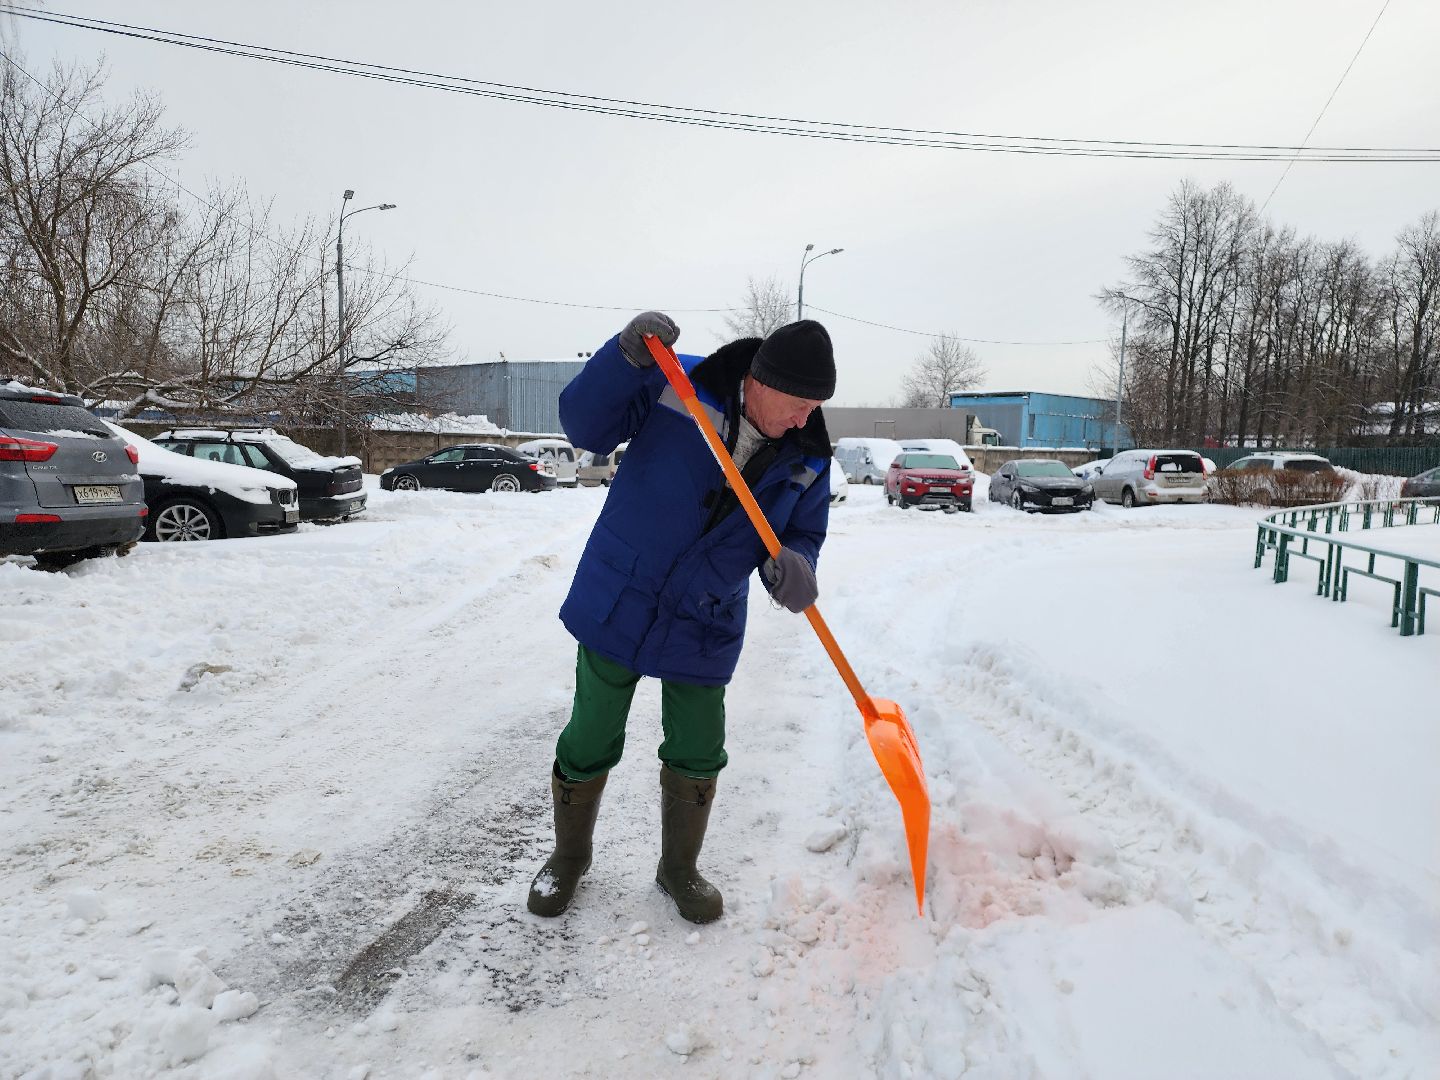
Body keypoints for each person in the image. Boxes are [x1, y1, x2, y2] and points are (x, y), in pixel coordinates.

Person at [527, 312, 836, 924]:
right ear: (760, 381)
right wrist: (623, 359)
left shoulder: (809, 454)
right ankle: (567, 858)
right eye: (801, 403)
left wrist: (798, 565)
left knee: (699, 747)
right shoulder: (679, 385)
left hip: (707, 613)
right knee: (589, 735)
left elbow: (805, 530)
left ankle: (678, 868)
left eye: (816, 405)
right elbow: (586, 426)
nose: (808, 418)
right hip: (622, 593)